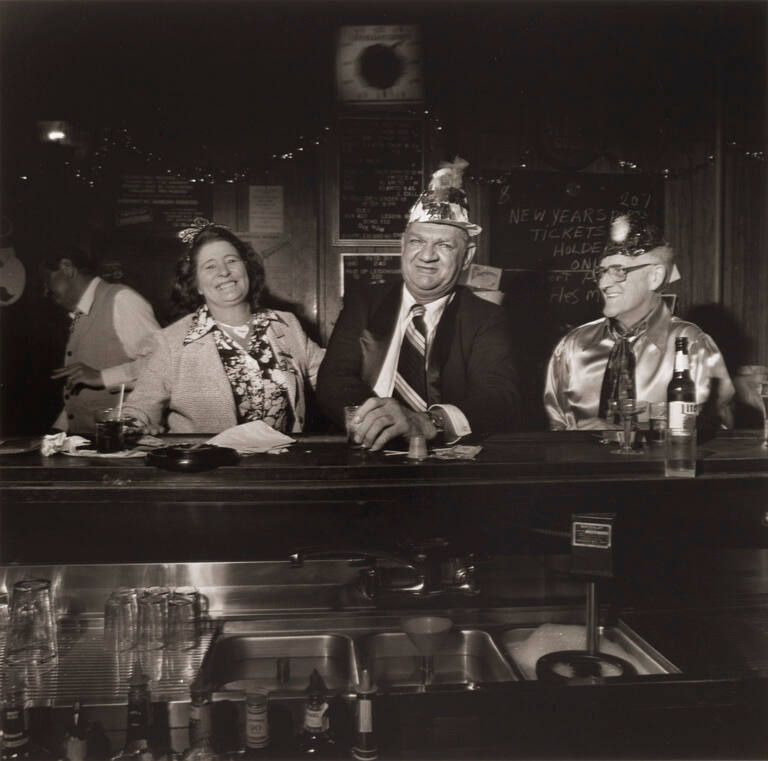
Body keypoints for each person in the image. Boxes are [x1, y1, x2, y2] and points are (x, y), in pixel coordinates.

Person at [317, 157, 520, 451]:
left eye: (444, 245)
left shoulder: (485, 317)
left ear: (467, 256)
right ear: (403, 245)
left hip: (443, 458)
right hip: (367, 449)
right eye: (417, 242)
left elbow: (500, 397)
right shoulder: (364, 302)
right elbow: (334, 379)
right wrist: (383, 421)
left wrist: (428, 422)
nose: (427, 256)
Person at [123, 219, 324, 434]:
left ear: (247, 270)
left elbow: (330, 378)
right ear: (196, 285)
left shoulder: (286, 325)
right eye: (210, 266)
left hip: (282, 454)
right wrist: (132, 426)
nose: (224, 272)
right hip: (208, 456)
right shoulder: (171, 342)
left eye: (231, 261)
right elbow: (140, 407)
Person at [543, 213, 734, 430]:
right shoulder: (574, 345)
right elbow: (555, 428)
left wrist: (633, 436)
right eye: (601, 272)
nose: (604, 283)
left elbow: (717, 430)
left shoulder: (690, 343)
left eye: (619, 271)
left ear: (655, 277)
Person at [42, 247, 161, 434]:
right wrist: (59, 429)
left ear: (67, 268)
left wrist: (104, 377)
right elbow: (82, 396)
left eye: (47, 280)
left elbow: (162, 366)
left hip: (125, 443)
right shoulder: (81, 314)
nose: (45, 291)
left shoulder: (121, 299)